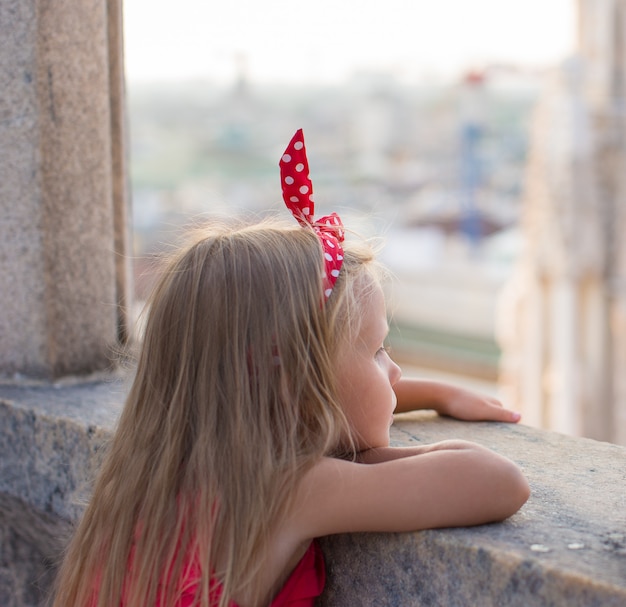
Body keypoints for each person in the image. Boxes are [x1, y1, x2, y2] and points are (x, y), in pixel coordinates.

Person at [52, 130, 529, 607]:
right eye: (378, 351)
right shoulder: (288, 490)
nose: (394, 371)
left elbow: (316, 397)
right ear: (295, 381)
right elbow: (499, 481)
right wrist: (364, 460)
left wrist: (434, 394)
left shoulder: (166, 468)